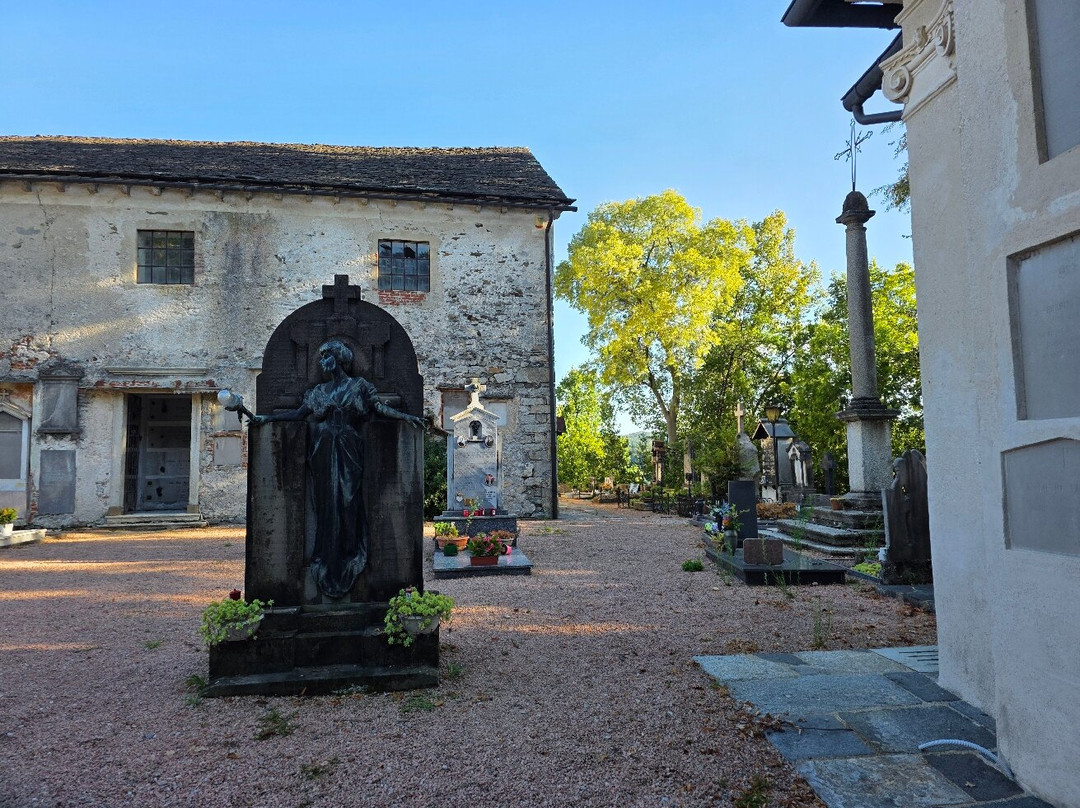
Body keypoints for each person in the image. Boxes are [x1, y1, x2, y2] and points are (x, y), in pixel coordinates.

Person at [252, 340, 424, 598]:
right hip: (322, 449)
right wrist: (266, 418)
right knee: (325, 505)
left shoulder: (360, 387)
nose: (322, 363)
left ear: (339, 358)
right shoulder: (318, 392)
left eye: (326, 357)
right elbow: (298, 414)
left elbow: (379, 408)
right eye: (321, 358)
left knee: (348, 501)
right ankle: (325, 558)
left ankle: (351, 555)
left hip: (349, 448)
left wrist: (407, 417)